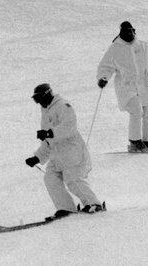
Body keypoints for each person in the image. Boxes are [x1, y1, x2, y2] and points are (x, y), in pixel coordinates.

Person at [25, 83, 105, 219]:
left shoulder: (63, 106)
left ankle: (93, 204)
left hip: (71, 151)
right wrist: (37, 157)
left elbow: (69, 127)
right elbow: (47, 140)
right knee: (50, 178)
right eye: (36, 100)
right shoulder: (45, 111)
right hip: (56, 154)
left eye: (39, 99)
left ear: (47, 95)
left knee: (73, 180)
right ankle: (66, 208)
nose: (38, 103)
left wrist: (49, 133)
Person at [97, 21, 148, 153]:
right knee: (136, 110)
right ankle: (135, 142)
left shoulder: (143, 46)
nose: (128, 34)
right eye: (125, 32)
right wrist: (103, 78)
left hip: (142, 87)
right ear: (120, 33)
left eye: (130, 31)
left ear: (134, 30)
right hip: (126, 88)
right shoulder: (115, 49)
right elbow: (106, 67)